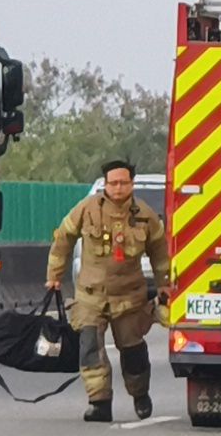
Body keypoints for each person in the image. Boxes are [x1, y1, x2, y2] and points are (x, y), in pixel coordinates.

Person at [46, 160, 171, 422]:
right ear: (105, 184)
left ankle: (140, 394)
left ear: (131, 184)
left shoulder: (145, 215)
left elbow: (160, 252)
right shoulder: (87, 209)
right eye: (113, 183)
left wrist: (164, 284)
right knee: (90, 347)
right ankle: (99, 402)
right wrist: (54, 276)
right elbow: (63, 239)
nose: (118, 187)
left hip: (129, 298)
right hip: (91, 296)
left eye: (123, 182)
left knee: (133, 350)